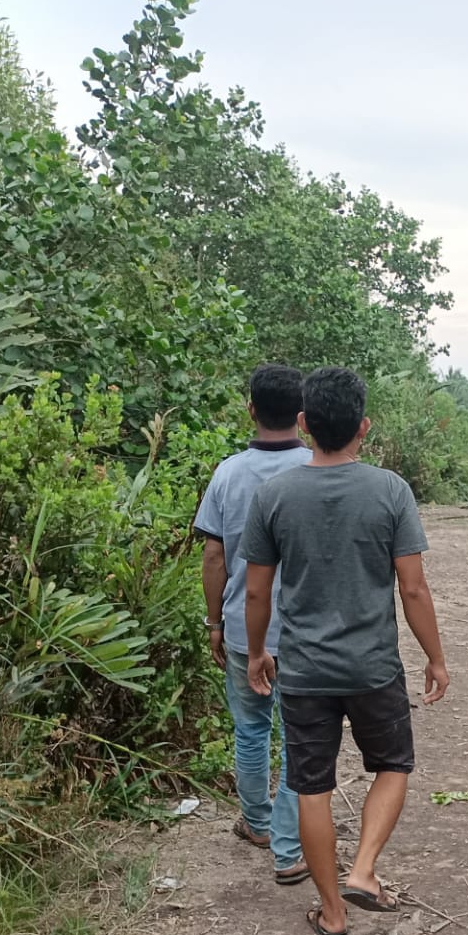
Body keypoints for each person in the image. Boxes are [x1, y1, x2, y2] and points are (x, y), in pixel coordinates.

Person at [239, 366, 450, 935]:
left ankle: (332, 912)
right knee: (393, 765)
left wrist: (257, 652)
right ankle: (363, 870)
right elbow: (413, 588)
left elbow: (257, 592)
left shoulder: (274, 495)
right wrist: (435, 657)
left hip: (304, 670)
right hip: (372, 665)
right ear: (364, 427)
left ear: (304, 423)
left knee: (311, 786)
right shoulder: (390, 491)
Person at [194, 363, 313, 885]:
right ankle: (288, 838)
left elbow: (214, 556)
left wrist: (214, 621)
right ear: (303, 416)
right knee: (300, 735)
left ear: (251, 410)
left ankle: (258, 824)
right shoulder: (317, 467)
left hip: (245, 626)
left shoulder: (228, 473)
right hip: (305, 632)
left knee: (250, 727)